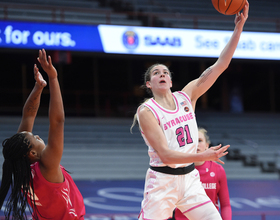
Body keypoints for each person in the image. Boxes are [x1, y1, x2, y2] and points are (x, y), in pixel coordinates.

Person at [131, 2, 249, 219]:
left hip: (190, 180)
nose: (162, 74)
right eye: (156, 73)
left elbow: (220, 65)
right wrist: (203, 155)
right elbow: (165, 155)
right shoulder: (146, 111)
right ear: (149, 84)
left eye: (165, 71)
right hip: (162, 183)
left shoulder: (187, 96)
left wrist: (238, 29)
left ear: (171, 80)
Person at [0, 49, 85, 220]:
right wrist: (53, 78)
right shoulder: (47, 165)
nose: (37, 136)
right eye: (34, 137)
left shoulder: (20, 167)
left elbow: (28, 115)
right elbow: (57, 121)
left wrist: (39, 87)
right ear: (32, 153)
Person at [174, 128, 232, 220]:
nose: (196, 144)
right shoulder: (177, 169)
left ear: (207, 146)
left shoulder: (218, 170)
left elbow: (225, 205)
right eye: (192, 140)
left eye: (200, 140)